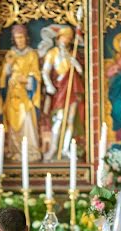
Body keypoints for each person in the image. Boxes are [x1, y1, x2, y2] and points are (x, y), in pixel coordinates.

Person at [41, 25, 84, 160]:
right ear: (58, 38)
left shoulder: (73, 53)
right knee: (59, 120)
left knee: (70, 120)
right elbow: (45, 72)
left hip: (72, 89)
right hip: (60, 89)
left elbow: (81, 73)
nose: (66, 40)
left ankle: (66, 149)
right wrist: (48, 85)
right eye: (64, 37)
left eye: (69, 38)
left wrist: (75, 64)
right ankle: (54, 147)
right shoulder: (52, 53)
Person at [0, 24, 41, 162]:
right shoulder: (10, 54)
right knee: (13, 123)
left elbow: (36, 75)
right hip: (13, 95)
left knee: (27, 120)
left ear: (26, 38)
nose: (20, 40)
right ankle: (15, 150)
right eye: (17, 38)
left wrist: (27, 79)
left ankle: (31, 151)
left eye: (22, 37)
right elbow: (3, 77)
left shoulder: (31, 54)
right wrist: (8, 66)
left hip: (25, 95)